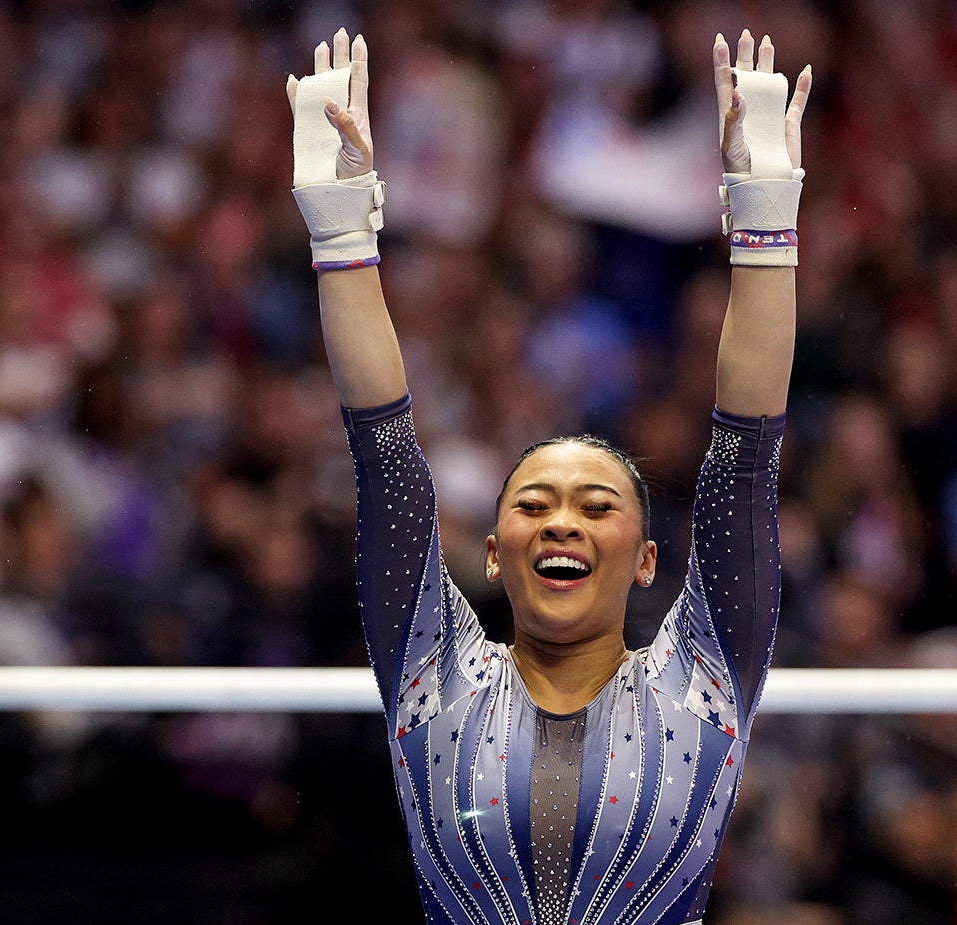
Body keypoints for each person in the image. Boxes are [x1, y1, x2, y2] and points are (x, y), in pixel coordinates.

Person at [285, 24, 811, 925]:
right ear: (493, 553)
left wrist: (763, 216)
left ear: (647, 559)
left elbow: (746, 451)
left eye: (594, 503)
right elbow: (383, 449)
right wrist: (341, 233)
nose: (561, 519)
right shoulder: (431, 673)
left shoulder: (705, 675)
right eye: (534, 503)